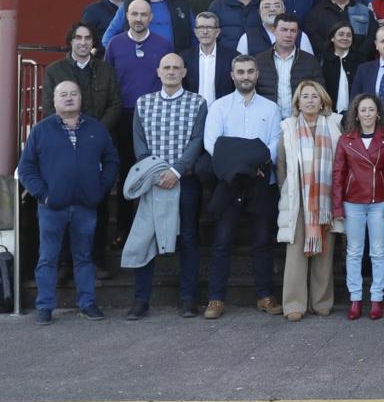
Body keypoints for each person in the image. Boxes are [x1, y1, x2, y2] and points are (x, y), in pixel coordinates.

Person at [20, 80, 119, 325]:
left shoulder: (96, 129)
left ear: (80, 98)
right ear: (54, 101)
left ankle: (87, 303)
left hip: (86, 205)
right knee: (47, 258)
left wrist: (100, 188)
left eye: (73, 93)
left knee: (84, 257)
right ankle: (44, 306)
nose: (68, 98)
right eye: (62, 94)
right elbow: (26, 168)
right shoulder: (41, 130)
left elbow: (112, 161)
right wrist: (43, 194)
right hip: (51, 207)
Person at [123, 53, 207, 320]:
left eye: (176, 68)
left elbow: (197, 140)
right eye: (166, 68)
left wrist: (176, 171)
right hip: (151, 181)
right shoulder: (143, 103)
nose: (171, 71)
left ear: (184, 72)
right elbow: (139, 143)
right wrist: (158, 173)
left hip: (185, 180)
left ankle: (188, 298)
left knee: (188, 238)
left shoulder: (197, 103)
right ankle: (140, 299)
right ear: (158, 72)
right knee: (145, 236)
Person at [201, 55, 284, 320]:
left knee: (262, 241)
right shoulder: (219, 107)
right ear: (232, 75)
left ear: (257, 74)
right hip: (229, 182)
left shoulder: (270, 108)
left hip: (261, 181)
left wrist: (253, 162)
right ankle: (216, 298)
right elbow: (212, 144)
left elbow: (274, 143)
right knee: (223, 241)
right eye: (240, 72)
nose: (245, 76)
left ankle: (264, 295)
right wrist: (243, 165)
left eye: (250, 71)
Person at [105, 0, 172, 251]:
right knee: (127, 171)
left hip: (154, 115)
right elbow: (110, 80)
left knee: (154, 171)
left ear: (151, 17)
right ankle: (124, 228)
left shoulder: (163, 45)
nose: (139, 18)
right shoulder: (115, 44)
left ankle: (155, 229)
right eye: (134, 14)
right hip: (124, 115)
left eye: (144, 14)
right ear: (127, 16)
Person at [276, 80, 341, 322]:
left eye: (314, 96)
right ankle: (294, 303)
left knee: (325, 251)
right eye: (305, 96)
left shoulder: (334, 126)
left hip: (325, 201)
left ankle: (321, 301)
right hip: (298, 199)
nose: (310, 100)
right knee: (295, 252)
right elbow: (281, 164)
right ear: (298, 102)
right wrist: (287, 191)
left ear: (322, 100)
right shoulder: (289, 128)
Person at [333, 93, 384, 321]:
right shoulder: (346, 140)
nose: (367, 114)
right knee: (353, 252)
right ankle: (355, 299)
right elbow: (338, 174)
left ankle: (376, 299)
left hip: (379, 202)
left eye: (371, 110)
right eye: (363, 110)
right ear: (357, 113)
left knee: (378, 252)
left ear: (378, 113)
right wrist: (337, 207)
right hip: (352, 202)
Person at [252, 13, 322, 118]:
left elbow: (320, 90)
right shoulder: (259, 61)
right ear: (274, 31)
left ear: (297, 33)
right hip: (267, 120)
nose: (288, 35)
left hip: (300, 120)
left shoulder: (310, 61)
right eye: (284, 30)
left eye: (293, 31)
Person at [304, 0, 376, 56]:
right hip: (328, 64)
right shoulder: (316, 13)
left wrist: (358, 57)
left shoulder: (364, 11)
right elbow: (313, 38)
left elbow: (371, 37)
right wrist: (333, 54)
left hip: (358, 64)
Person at [181, 11, 237, 106]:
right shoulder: (184, 58)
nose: (205, 31)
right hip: (192, 111)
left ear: (217, 32)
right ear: (195, 32)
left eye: (210, 28)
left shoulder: (232, 57)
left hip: (223, 112)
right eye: (201, 27)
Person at [236, 0, 315, 56]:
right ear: (259, 12)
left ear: (284, 10)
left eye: (277, 6)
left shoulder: (300, 36)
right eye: (267, 6)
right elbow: (239, 67)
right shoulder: (247, 37)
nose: (272, 9)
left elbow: (310, 66)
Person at [320, 22, 365, 114]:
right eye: (341, 34)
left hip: (354, 115)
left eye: (349, 35)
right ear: (332, 38)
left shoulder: (361, 61)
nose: (345, 38)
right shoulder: (322, 60)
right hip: (328, 113)